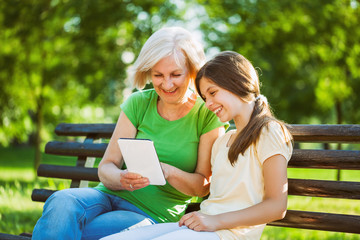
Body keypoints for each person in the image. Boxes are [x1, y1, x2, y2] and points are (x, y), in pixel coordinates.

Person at [32, 27, 227, 240]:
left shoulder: (207, 113)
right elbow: (106, 168)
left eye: (176, 74)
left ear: (193, 72)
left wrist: (167, 171)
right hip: (106, 197)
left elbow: (202, 186)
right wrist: (121, 177)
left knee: (71, 229)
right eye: (158, 75)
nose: (167, 83)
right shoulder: (139, 103)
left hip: (150, 215)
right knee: (61, 201)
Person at [101, 51, 293, 240]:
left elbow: (277, 206)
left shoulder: (269, 132)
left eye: (213, 93)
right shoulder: (223, 142)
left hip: (228, 233)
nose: (208, 104)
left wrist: (214, 221)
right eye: (204, 97)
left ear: (237, 83)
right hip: (203, 227)